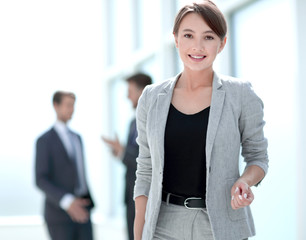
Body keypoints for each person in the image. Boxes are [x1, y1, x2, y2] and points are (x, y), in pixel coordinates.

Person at [133, 1, 269, 240]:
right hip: (163, 225)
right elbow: (145, 171)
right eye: (188, 35)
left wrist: (245, 182)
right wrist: (139, 234)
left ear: (222, 43)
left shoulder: (241, 94)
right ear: (176, 39)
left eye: (208, 37)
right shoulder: (151, 98)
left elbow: (258, 157)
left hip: (220, 224)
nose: (197, 46)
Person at [35, 91, 94, 240]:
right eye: (68, 105)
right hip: (59, 214)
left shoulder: (77, 138)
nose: (71, 109)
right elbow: (40, 179)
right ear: (56, 106)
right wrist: (68, 202)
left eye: (73, 105)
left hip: (83, 208)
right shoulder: (44, 140)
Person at [102, 73, 152, 240]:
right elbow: (133, 157)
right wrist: (119, 152)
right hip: (130, 195)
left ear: (142, 91)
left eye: (130, 91)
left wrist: (123, 150)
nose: (127, 96)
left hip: (147, 196)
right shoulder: (133, 122)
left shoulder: (153, 121)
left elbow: (147, 160)